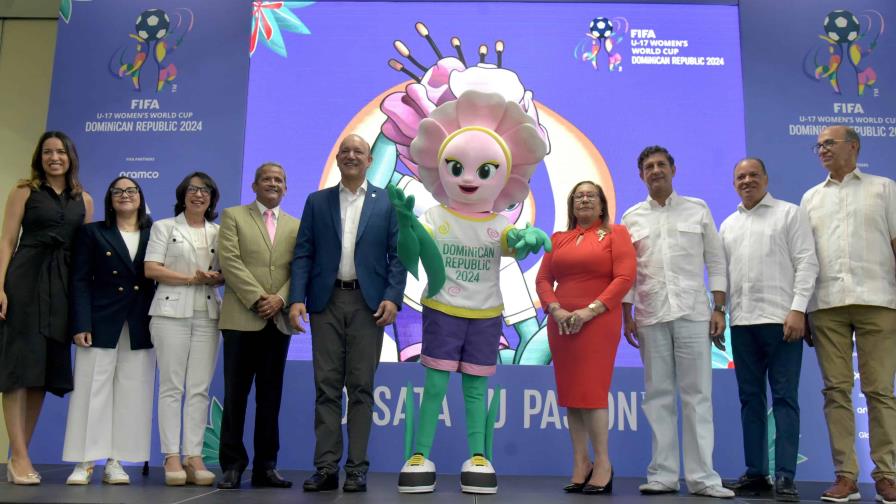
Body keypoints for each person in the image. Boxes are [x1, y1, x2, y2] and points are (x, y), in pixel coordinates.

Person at [289, 134, 406, 493]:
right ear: (338, 159)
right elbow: (304, 253)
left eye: (359, 151)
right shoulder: (317, 201)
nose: (351, 156)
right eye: (345, 151)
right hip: (325, 304)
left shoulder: (387, 203)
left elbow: (397, 255)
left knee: (361, 389)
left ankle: (357, 469)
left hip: (368, 306)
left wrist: (393, 297)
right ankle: (325, 468)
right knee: (325, 388)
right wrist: (297, 298)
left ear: (370, 160)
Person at [621, 145, 733, 499]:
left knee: (698, 396)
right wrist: (627, 315)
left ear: (673, 169)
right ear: (641, 176)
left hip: (693, 313)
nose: (655, 171)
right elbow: (628, 272)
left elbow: (715, 260)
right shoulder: (631, 217)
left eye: (661, 165)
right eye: (649, 167)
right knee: (658, 397)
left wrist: (719, 308)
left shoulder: (697, 209)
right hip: (651, 315)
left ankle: (703, 479)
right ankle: (663, 475)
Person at [801, 125, 896, 504]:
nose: (822, 150)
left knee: (879, 391)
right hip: (826, 305)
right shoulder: (810, 198)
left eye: (829, 143)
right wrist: (804, 308)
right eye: (819, 145)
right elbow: (805, 259)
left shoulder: (884, 188)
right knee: (835, 391)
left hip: (878, 300)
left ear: (853, 147)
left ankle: (887, 475)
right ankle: (845, 476)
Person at [718, 158, 818, 502]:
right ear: (734, 184)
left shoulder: (789, 214)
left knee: (785, 399)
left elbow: (807, 262)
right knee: (750, 400)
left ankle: (786, 475)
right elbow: (723, 277)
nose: (747, 181)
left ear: (766, 178)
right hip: (742, 325)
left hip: (782, 322)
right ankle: (757, 473)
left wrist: (797, 309)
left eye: (753, 175)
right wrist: (719, 313)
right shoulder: (728, 225)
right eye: (740, 177)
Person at [0, 131, 93, 485]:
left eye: (60, 152)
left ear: (70, 157)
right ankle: (20, 457)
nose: (54, 157)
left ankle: (18, 455)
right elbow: (7, 240)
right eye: (47, 152)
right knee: (19, 369)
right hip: (24, 281)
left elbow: (84, 252)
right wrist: (0, 287)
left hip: (62, 287)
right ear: (40, 158)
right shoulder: (24, 190)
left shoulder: (83, 199)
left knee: (41, 374)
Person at [535, 181, 636, 494]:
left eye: (591, 195)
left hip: (599, 322)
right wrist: (556, 310)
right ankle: (581, 463)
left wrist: (589, 311)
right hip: (562, 324)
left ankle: (603, 463)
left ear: (602, 204)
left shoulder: (616, 234)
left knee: (592, 393)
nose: (585, 200)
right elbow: (542, 279)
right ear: (571, 205)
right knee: (571, 396)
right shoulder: (559, 239)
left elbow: (624, 277)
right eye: (578, 196)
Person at [62, 176, 156, 485]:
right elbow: (79, 280)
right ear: (110, 198)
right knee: (92, 391)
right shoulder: (92, 233)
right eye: (118, 191)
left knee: (133, 392)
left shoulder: (154, 232)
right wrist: (80, 323)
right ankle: (85, 461)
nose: (125, 195)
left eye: (131, 191)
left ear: (140, 198)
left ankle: (116, 461)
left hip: (141, 322)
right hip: (100, 321)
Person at [216, 162, 299, 490]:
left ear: (286, 188)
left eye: (279, 179)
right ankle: (233, 465)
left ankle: (266, 467)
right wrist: (258, 298)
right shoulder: (234, 216)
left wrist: (280, 298)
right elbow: (230, 262)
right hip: (240, 320)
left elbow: (299, 268)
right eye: (267, 179)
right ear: (254, 185)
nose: (273, 183)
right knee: (235, 396)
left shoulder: (296, 225)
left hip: (276, 323)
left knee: (270, 398)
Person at [144, 172, 223, 486]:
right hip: (169, 312)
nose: (198, 195)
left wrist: (214, 278)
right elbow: (151, 268)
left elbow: (225, 272)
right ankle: (171, 456)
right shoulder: (165, 227)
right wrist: (191, 278)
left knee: (200, 388)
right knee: (172, 387)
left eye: (205, 190)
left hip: (207, 313)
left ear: (212, 198)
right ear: (183, 195)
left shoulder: (219, 231)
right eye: (192, 189)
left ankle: (194, 456)